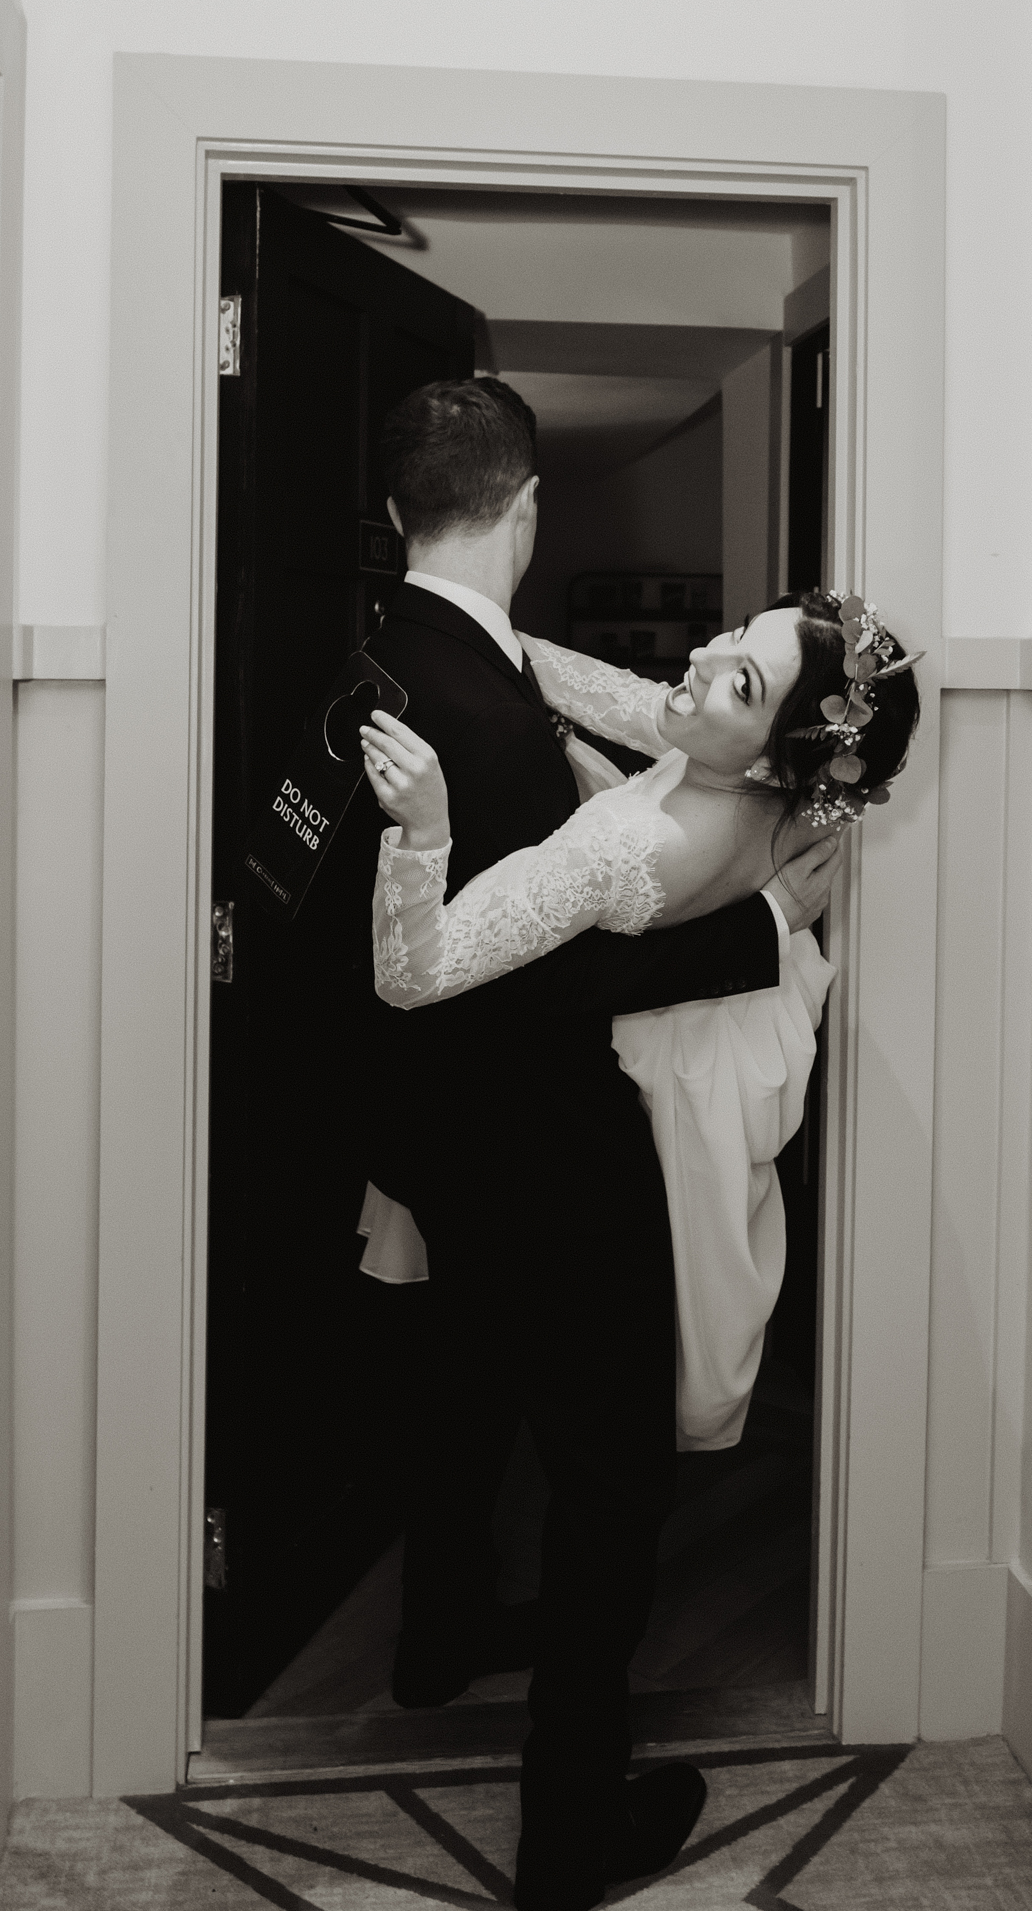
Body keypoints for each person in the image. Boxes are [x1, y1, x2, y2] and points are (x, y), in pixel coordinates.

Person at [354, 378, 842, 1911]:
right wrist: (765, 918)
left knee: (467, 1381)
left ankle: (438, 1639)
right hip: (549, 1148)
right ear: (529, 508)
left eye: (740, 670)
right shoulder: (538, 753)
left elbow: (638, 725)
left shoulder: (403, 661)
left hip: (463, 1131)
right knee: (609, 1490)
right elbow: (517, 958)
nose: (699, 666)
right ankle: (568, 1833)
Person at [361, 584, 921, 1455]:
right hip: (701, 1041)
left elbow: (411, 972)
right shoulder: (781, 788)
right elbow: (597, 687)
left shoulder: (624, 850)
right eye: (732, 635)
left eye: (743, 683)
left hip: (602, 1098)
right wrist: (481, 630)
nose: (701, 659)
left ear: (777, 759)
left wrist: (423, 828)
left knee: (572, 1383)